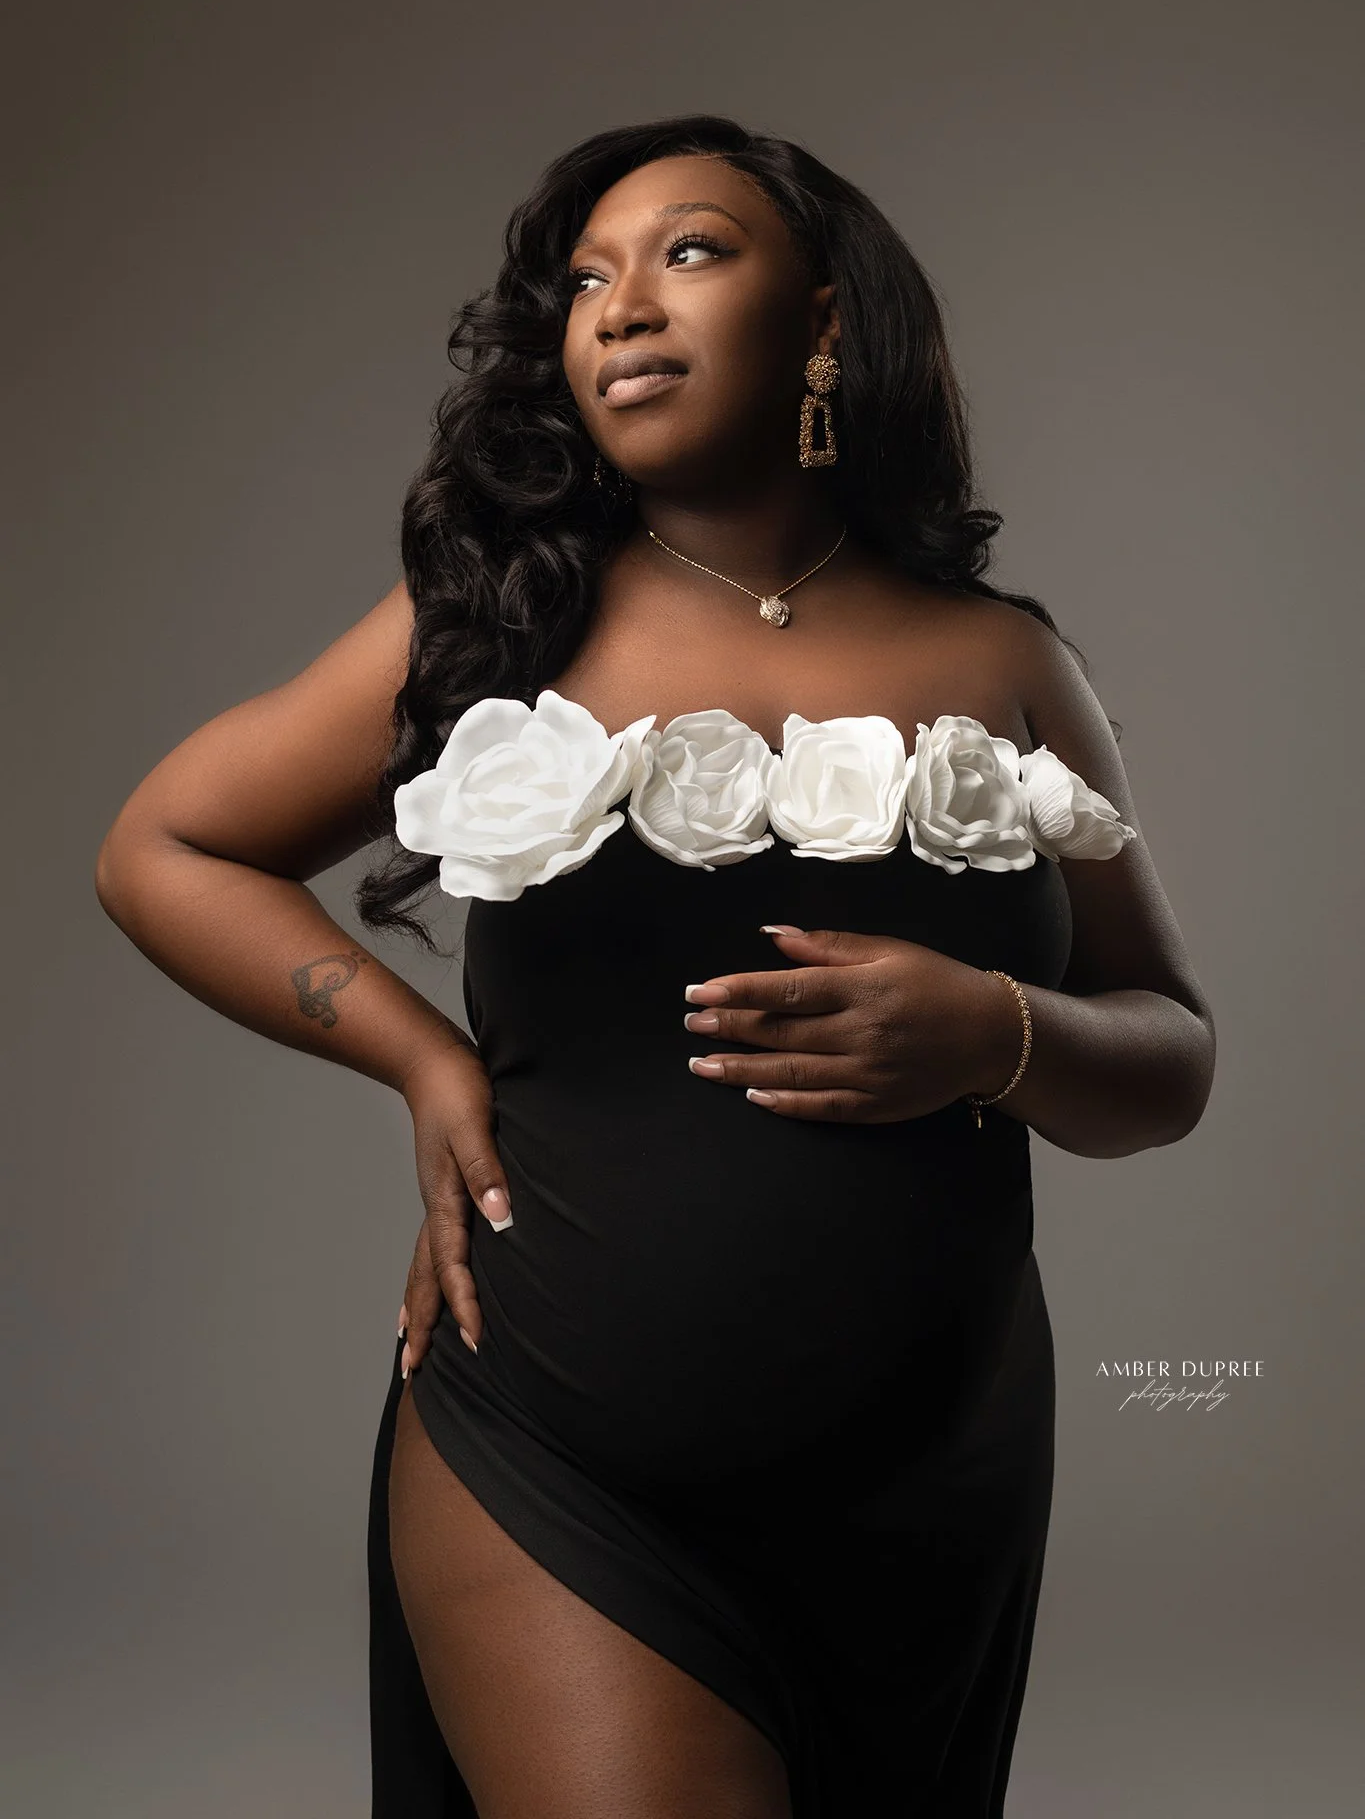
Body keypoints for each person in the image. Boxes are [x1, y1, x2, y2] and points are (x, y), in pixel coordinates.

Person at [95, 114, 1217, 1819]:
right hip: (561, 1453)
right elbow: (163, 848)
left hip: (940, 1488)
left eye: (688, 251)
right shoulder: (497, 621)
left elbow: (1172, 1059)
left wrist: (995, 1030)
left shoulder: (1006, 660)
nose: (619, 306)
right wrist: (422, 1058)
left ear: (826, 321)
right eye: (586, 279)